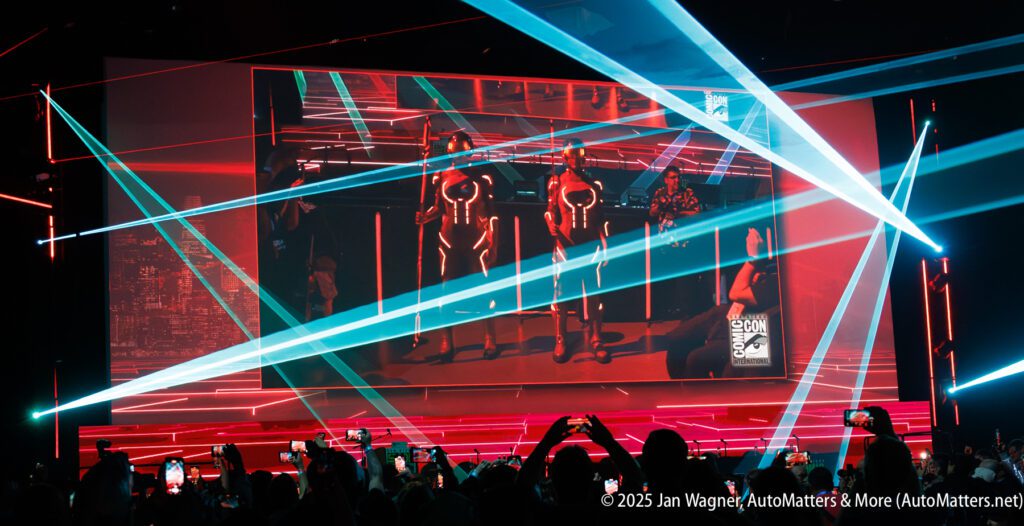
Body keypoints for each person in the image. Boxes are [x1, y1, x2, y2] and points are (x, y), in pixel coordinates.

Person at [416, 131, 500, 362]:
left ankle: (489, 337)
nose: (461, 156)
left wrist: (493, 242)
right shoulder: (441, 176)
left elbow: (491, 213)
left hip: (477, 241)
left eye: (465, 152)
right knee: (447, 291)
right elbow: (438, 208)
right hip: (449, 242)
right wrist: (425, 217)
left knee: (483, 289)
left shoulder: (482, 178)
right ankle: (447, 340)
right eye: (458, 152)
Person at [665, 227, 782, 378]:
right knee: (676, 339)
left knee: (697, 359)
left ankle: (698, 392)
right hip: (737, 310)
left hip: (756, 323)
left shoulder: (780, 282)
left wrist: (753, 259)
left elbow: (736, 293)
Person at [545, 138, 610, 364]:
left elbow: (600, 219)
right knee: (561, 296)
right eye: (573, 154)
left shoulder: (593, 185)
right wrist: (550, 223)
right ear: (565, 156)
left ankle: (596, 338)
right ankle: (560, 338)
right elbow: (549, 210)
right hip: (565, 247)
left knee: (594, 295)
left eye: (580, 154)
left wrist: (605, 245)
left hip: (590, 247)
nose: (577, 159)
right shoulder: (556, 183)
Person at [649, 165, 704, 319]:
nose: (677, 180)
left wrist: (679, 213)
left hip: (683, 242)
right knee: (665, 277)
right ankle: (665, 310)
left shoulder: (687, 193)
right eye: (673, 177)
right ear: (666, 179)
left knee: (684, 278)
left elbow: (697, 213)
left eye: (678, 177)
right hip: (664, 241)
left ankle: (685, 311)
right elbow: (652, 212)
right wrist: (661, 206)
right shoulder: (660, 193)